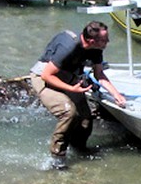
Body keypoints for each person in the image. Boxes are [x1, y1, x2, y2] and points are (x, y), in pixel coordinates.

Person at [30, 21, 126, 169]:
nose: (108, 42)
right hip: (42, 77)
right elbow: (47, 75)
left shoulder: (96, 49)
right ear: (92, 40)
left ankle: (79, 149)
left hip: (67, 76)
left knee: (85, 118)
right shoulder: (69, 47)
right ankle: (57, 157)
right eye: (104, 39)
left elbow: (99, 73)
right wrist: (71, 89)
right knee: (68, 112)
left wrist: (116, 94)